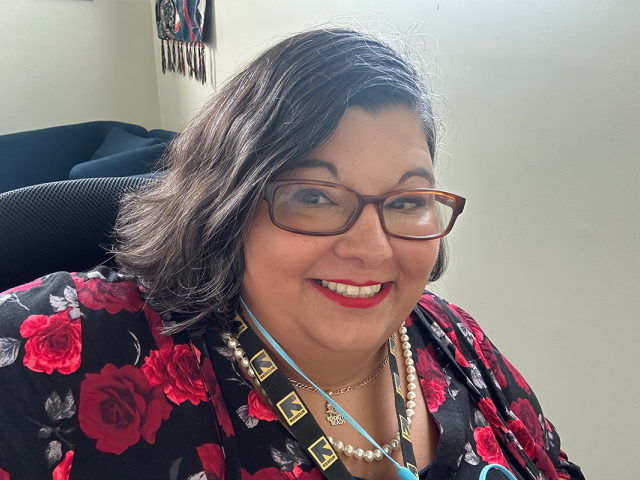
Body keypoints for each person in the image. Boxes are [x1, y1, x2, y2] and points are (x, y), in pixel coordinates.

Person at [0, 28, 584, 480]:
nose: (372, 248)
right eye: (313, 196)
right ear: (226, 201)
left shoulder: (458, 342)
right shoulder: (66, 352)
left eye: (407, 201)